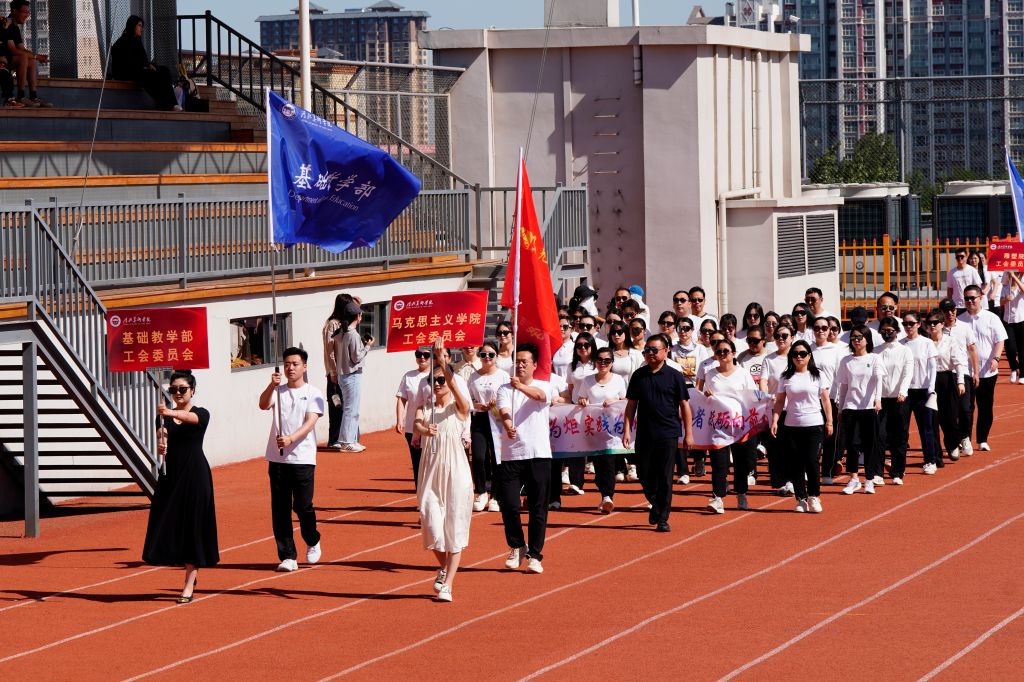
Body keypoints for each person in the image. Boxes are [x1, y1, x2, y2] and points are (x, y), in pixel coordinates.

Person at [142, 371, 218, 603]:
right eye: (173, 389)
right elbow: (162, 434)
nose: (177, 393)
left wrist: (169, 412)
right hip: (171, 477)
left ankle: (188, 583)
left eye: (182, 389)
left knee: (192, 526)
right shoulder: (163, 417)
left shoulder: (201, 413)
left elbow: (191, 419)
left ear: (192, 390)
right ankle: (186, 568)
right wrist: (161, 442)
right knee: (168, 523)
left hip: (195, 476)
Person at [414, 339, 473, 603]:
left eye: (441, 381)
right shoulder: (425, 408)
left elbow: (462, 399)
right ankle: (445, 567)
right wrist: (425, 429)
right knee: (430, 522)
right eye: (433, 381)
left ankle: (447, 584)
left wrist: (442, 363)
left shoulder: (458, 408)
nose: (437, 385)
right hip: (430, 472)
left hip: (456, 472)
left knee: (454, 528)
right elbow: (416, 424)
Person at [258, 347, 324, 572]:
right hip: (277, 460)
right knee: (280, 509)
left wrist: (290, 439)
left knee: (303, 506)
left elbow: (310, 422)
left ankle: (312, 539)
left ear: (304, 366)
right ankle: (288, 556)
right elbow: (263, 404)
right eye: (287, 364)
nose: (290, 368)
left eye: (295, 364)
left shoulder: (314, 393)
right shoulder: (278, 392)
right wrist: (271, 385)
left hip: (302, 458)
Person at [495, 343, 557, 574]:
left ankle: (535, 555)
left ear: (534, 365)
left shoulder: (544, 385)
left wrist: (520, 386)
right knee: (509, 504)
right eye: (517, 361)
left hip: (538, 453)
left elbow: (540, 397)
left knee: (538, 508)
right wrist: (508, 425)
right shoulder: (504, 389)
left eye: (524, 362)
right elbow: (503, 411)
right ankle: (517, 546)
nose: (520, 365)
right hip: (512, 454)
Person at [623, 333, 694, 533]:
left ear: (666, 351)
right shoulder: (638, 376)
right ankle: (655, 502)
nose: (650, 353)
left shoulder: (675, 376)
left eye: (654, 350)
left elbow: (685, 406)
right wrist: (627, 430)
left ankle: (663, 518)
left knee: (665, 476)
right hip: (644, 433)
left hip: (668, 433)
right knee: (644, 473)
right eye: (647, 350)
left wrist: (688, 434)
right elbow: (631, 405)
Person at [770, 339, 832, 513]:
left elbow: (825, 400)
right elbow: (780, 401)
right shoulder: (786, 377)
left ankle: (814, 496)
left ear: (809, 356)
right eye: (795, 354)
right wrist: (775, 420)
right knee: (796, 464)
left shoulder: (818, 375)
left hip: (814, 425)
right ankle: (801, 499)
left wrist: (829, 421)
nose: (799, 357)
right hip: (792, 426)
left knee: (812, 461)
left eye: (803, 353)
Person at [703, 338, 758, 513]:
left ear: (733, 354)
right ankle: (717, 497)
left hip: (740, 425)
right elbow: (704, 397)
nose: (722, 354)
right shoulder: (710, 374)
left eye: (726, 351)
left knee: (741, 462)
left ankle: (741, 493)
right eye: (718, 351)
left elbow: (752, 396)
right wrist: (706, 395)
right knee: (718, 463)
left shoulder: (743, 374)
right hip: (718, 425)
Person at [573, 347, 628, 514]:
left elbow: (625, 400)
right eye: (599, 360)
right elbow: (581, 398)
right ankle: (604, 491)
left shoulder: (618, 380)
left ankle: (607, 496)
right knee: (598, 463)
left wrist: (614, 401)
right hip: (594, 429)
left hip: (612, 430)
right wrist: (582, 401)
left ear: (612, 363)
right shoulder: (588, 380)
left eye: (607, 360)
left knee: (608, 462)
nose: (603, 363)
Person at [835, 325, 884, 495]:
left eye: (859, 337)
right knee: (852, 444)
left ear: (867, 339)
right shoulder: (846, 361)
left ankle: (869, 479)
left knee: (870, 444)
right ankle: (854, 479)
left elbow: (879, 380)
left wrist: (878, 399)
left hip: (869, 407)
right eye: (853, 337)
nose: (856, 340)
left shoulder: (875, 358)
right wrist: (840, 409)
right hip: (851, 407)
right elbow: (843, 386)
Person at [959, 284, 1007, 452]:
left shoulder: (991, 318)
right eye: (967, 298)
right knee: (966, 408)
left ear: (981, 298)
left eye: (973, 298)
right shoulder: (960, 320)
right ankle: (965, 439)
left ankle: (982, 439)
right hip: (966, 371)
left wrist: (996, 358)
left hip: (987, 370)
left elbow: (1000, 340)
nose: (970, 301)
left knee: (985, 406)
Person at [468, 340, 509, 513]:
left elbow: (508, 398)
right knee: (478, 457)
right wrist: (476, 405)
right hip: (479, 419)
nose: (487, 357)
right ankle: (481, 492)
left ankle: (496, 496)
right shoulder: (473, 377)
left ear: (496, 356)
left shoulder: (503, 376)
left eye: (491, 354)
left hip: (498, 420)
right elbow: (468, 399)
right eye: (483, 354)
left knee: (497, 458)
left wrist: (496, 404)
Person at [110, 15, 180, 111]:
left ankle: (173, 103)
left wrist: (149, 66)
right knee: (149, 75)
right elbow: (126, 63)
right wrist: (144, 67)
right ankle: (165, 104)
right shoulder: (122, 42)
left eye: (142, 26)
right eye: (139, 25)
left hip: (138, 70)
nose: (141, 29)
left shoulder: (137, 41)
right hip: (125, 72)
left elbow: (143, 60)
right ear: (132, 25)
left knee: (164, 71)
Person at [900, 312, 941, 475]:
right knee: (902, 429)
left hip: (923, 391)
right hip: (905, 392)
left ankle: (930, 460)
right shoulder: (900, 344)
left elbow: (932, 368)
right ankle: (899, 464)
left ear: (918, 324)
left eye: (911, 323)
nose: (908, 327)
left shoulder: (927, 343)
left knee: (926, 428)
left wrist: (931, 388)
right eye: (905, 324)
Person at [874, 317, 913, 485]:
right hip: (880, 399)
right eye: (883, 331)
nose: (886, 334)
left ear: (897, 331)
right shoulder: (876, 351)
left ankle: (898, 471)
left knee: (899, 436)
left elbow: (907, 373)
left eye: (890, 331)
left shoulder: (905, 351)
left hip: (899, 399)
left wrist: (903, 391)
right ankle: (877, 473)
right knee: (879, 436)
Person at [940, 297, 979, 457]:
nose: (950, 313)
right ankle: (953, 442)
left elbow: (972, 349)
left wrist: (976, 372)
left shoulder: (964, 327)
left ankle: (965, 437)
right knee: (949, 412)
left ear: (956, 310)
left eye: (952, 310)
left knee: (965, 409)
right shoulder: (938, 329)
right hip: (945, 374)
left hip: (963, 372)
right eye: (946, 311)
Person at [926, 311, 967, 464]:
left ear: (942, 324)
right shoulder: (924, 342)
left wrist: (961, 381)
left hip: (947, 379)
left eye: (935, 322)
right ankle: (936, 455)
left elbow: (958, 363)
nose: (932, 325)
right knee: (933, 418)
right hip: (929, 380)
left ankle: (953, 443)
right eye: (929, 323)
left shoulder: (950, 341)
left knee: (949, 416)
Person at [761, 323, 796, 495]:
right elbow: (763, 381)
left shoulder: (798, 357)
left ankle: (792, 479)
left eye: (784, 336)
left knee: (792, 446)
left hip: (794, 408)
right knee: (775, 446)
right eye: (777, 336)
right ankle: (779, 481)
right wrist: (766, 395)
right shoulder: (768, 359)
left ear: (792, 338)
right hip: (774, 408)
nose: (781, 339)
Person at [333, 301, 372, 452]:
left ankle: (350, 440)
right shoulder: (353, 334)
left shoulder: (342, 332)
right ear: (357, 316)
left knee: (350, 409)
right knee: (352, 409)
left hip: (344, 375)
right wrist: (367, 346)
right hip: (352, 375)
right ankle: (347, 442)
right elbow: (357, 358)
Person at [395, 348, 431, 487]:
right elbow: (402, 399)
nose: (422, 357)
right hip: (412, 426)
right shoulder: (408, 376)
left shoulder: (437, 376)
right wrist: (399, 420)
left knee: (431, 462)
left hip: (431, 427)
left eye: (426, 355)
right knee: (417, 463)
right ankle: (420, 493)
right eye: (418, 354)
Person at [4, 0, 49, 108]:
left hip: (9, 60)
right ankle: (21, 96)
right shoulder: (6, 24)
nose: (27, 15)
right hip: (3, 62)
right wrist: (36, 56)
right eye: (24, 12)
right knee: (24, 57)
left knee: (31, 60)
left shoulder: (15, 27)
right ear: (14, 11)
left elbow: (22, 48)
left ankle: (33, 96)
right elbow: (13, 50)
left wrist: (36, 57)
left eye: (28, 12)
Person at [322, 293, 352, 449]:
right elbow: (330, 350)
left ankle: (345, 438)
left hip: (346, 372)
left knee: (348, 405)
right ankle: (334, 440)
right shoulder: (332, 324)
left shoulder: (345, 323)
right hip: (335, 373)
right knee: (336, 406)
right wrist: (333, 372)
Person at [1002, 269, 1024, 384]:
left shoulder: (1020, 286)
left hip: (1021, 320)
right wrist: (1006, 299)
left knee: (1022, 349)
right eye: (1011, 273)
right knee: (1010, 348)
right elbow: (1000, 302)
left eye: (1015, 273)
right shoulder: (1005, 288)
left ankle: (1023, 374)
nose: (1012, 275)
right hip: (1008, 321)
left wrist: (1016, 278)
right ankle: (1014, 368)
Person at [947, 247, 982, 314]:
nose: (960, 258)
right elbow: (950, 289)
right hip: (957, 305)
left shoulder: (972, 270)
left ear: (966, 257)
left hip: (971, 303)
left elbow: (978, 287)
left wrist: (978, 300)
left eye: (962, 256)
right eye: (957, 257)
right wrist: (950, 303)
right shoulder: (951, 273)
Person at [552, 313, 574, 380]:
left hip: (570, 384)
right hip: (556, 384)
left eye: (565, 327)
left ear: (572, 329)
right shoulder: (553, 347)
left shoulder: (575, 347)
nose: (561, 329)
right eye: (559, 326)